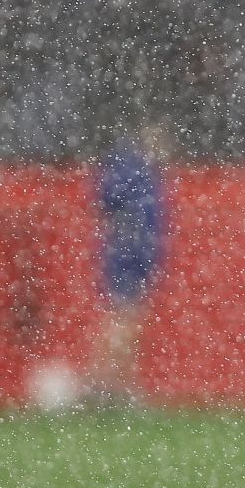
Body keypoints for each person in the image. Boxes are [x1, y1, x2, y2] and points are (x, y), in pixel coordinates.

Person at [91, 120, 169, 402]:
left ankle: (117, 385)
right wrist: (134, 249)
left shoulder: (144, 174)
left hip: (134, 256)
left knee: (128, 322)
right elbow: (112, 207)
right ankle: (105, 384)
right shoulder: (132, 172)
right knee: (124, 321)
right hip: (128, 256)